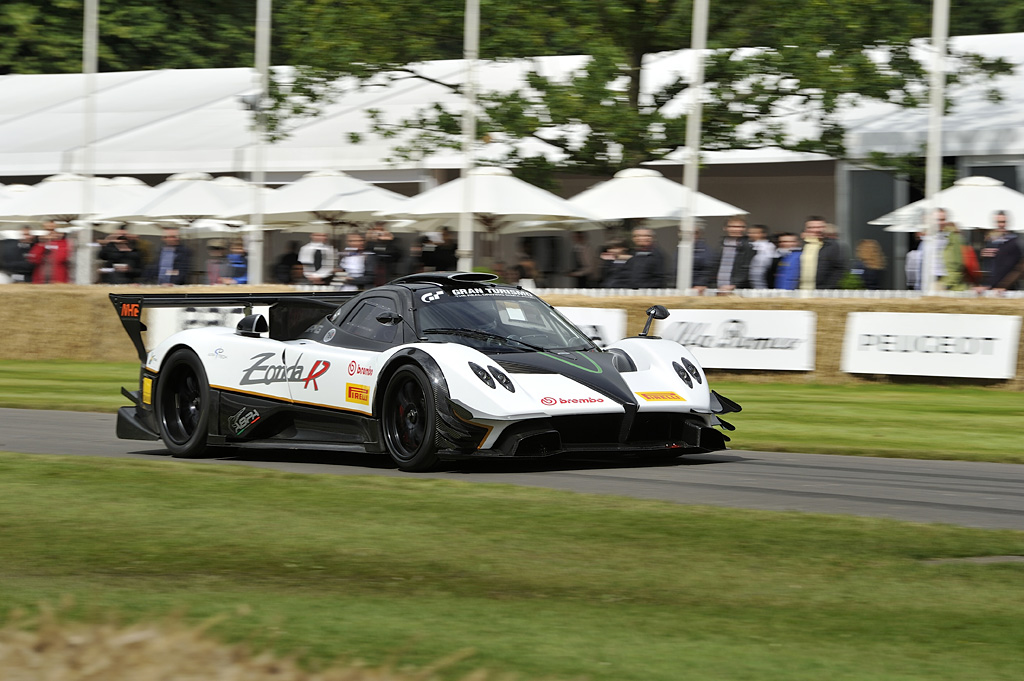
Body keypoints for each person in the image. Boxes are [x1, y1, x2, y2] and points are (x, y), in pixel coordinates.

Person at [978, 211, 1023, 293]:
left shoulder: (1014, 242)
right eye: (999, 222)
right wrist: (984, 284)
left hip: (1008, 290)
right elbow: (989, 268)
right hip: (992, 289)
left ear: (1007, 223)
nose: (1001, 225)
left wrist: (1003, 285)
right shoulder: (991, 242)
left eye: (1003, 222)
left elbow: (1019, 268)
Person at [707, 216, 754, 292]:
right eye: (732, 226)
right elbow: (714, 265)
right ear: (725, 228)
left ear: (744, 229)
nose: (736, 229)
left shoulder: (748, 246)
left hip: (737, 287)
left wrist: (734, 284)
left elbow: (746, 268)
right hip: (718, 286)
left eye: (740, 227)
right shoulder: (721, 244)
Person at [798, 216, 846, 290]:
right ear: (806, 229)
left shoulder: (833, 246)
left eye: (820, 227)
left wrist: (826, 289)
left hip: (823, 292)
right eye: (812, 227)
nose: (817, 230)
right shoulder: (801, 246)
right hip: (799, 291)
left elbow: (840, 269)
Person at [747, 223, 777, 289]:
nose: (751, 235)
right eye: (750, 233)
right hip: (747, 279)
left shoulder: (768, 246)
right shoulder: (747, 245)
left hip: (761, 278)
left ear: (763, 234)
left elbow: (767, 264)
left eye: (755, 233)